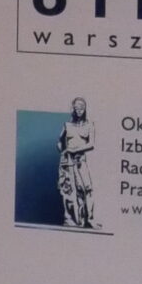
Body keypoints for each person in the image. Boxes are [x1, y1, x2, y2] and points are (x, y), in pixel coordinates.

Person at [56, 98, 96, 230]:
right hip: (67, 161)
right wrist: (62, 150)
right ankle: (73, 219)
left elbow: (91, 144)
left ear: (85, 109)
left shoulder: (89, 125)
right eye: (77, 108)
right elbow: (60, 141)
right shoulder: (67, 125)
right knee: (68, 190)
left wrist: (74, 150)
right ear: (73, 109)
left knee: (87, 189)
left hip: (80, 160)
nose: (79, 111)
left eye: (82, 108)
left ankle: (89, 219)